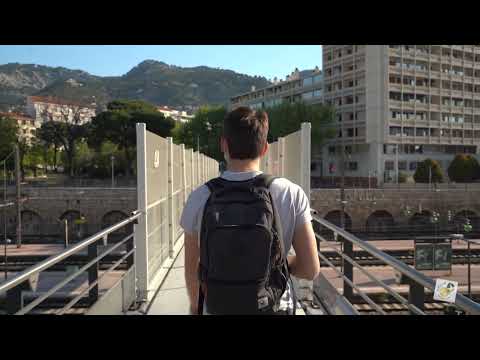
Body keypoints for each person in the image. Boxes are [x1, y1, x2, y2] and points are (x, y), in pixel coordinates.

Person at [180, 106, 320, 315]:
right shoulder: (291, 193)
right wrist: (280, 265)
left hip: (219, 308)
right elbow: (310, 269)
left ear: (224, 145)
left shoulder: (200, 197)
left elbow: (192, 269)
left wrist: (194, 307)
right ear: (264, 148)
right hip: (272, 306)